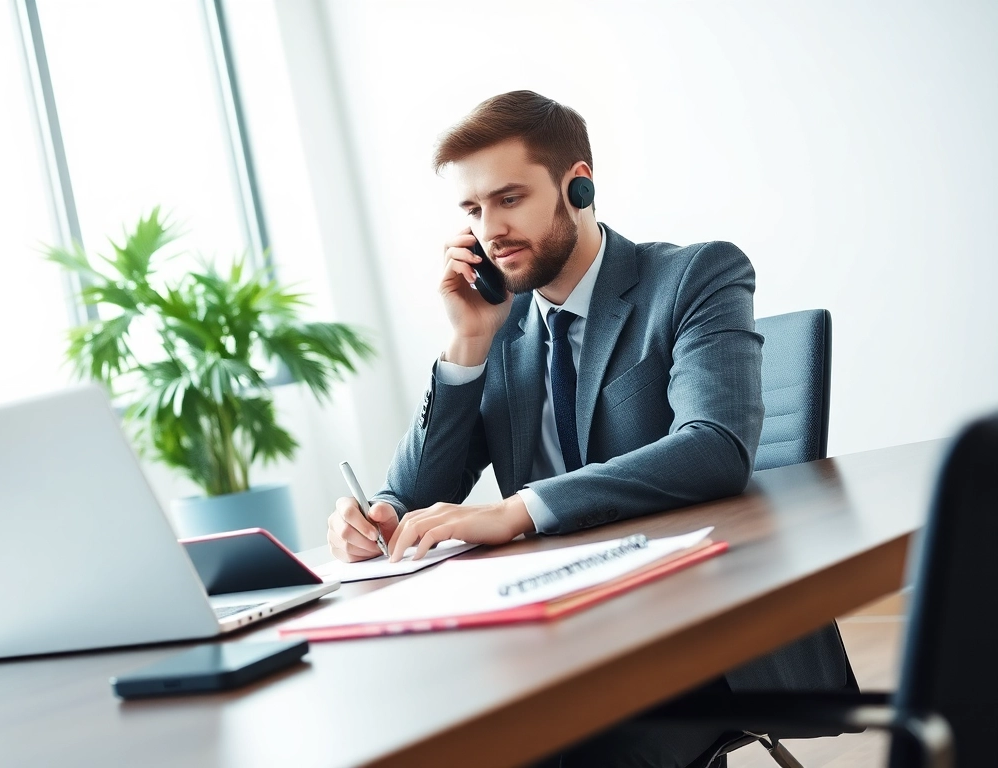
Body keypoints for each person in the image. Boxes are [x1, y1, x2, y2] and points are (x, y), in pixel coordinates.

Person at [325, 91, 850, 767]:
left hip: (701, 629)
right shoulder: (503, 325)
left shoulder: (693, 277)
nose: (490, 230)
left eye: (509, 198)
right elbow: (418, 491)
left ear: (579, 185)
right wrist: (465, 347)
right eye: (472, 210)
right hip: (558, 630)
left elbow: (714, 448)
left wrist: (520, 511)